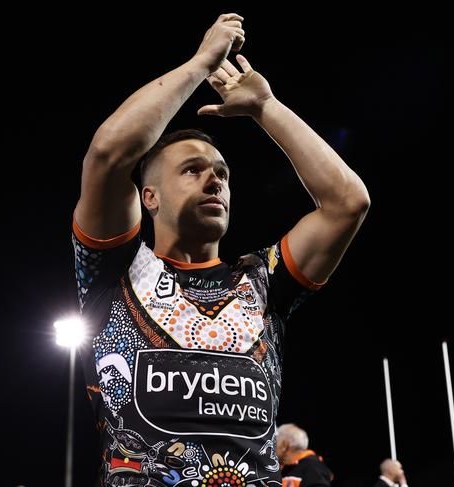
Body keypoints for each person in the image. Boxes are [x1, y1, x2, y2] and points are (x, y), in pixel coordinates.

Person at [72, 12, 369, 486]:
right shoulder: (116, 269)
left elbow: (348, 203)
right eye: (192, 170)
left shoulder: (263, 281)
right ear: (149, 198)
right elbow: (108, 155)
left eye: (223, 174)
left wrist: (266, 107)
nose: (215, 179)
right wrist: (199, 64)